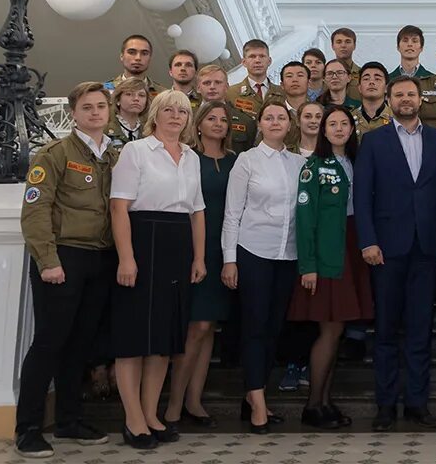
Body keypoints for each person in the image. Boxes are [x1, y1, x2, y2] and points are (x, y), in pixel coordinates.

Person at [353, 75, 436, 431]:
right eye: (398, 94)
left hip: (428, 248)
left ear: (421, 99)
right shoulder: (372, 141)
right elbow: (362, 196)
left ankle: (417, 403)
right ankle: (385, 405)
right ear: (389, 98)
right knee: (385, 330)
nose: (405, 99)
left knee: (419, 329)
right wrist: (367, 240)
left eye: (410, 94)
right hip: (385, 249)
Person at [15, 82, 117, 458]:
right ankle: (27, 428)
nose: (94, 112)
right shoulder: (54, 153)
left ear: (109, 112)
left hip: (99, 258)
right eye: (87, 107)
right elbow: (36, 209)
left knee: (80, 345)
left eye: (100, 106)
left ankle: (70, 420)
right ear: (73, 113)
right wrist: (48, 260)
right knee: (49, 343)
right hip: (63, 258)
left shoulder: (113, 155)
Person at [109, 90, 207, 450]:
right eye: (168, 110)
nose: (176, 116)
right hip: (143, 241)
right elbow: (119, 208)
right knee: (134, 338)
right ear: (155, 114)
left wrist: (198, 258)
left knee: (163, 341)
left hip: (178, 245)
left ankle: (151, 414)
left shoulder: (192, 157)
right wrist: (126, 258)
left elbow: (197, 211)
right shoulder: (136, 151)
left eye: (182, 111)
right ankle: (133, 419)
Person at [286, 105, 375, 429]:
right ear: (322, 130)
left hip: (351, 249)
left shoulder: (356, 163)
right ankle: (313, 406)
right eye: (332, 124)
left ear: (353, 130)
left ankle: (325, 400)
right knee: (329, 328)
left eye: (344, 124)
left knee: (337, 330)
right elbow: (305, 217)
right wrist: (308, 265)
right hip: (326, 256)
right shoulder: (314, 166)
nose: (338, 129)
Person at [222, 101, 305, 433]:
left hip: (288, 255)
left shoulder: (299, 162)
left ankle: (252, 395)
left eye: (281, 118)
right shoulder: (247, 160)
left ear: (289, 125)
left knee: (273, 329)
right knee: (255, 327)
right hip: (252, 251)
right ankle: (258, 402)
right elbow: (232, 213)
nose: (275, 122)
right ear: (259, 123)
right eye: (268, 117)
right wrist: (230, 260)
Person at [162, 100, 237, 431]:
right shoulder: (189, 157)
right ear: (200, 123)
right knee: (196, 328)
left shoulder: (236, 161)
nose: (218, 124)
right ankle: (173, 406)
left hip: (227, 250)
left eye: (224, 119)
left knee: (209, 330)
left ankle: (195, 400)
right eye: (212, 118)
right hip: (195, 249)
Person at [197, 64, 256, 153]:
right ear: (198, 88)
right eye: (207, 83)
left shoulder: (245, 121)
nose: (212, 87)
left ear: (227, 87)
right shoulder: (188, 118)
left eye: (218, 82)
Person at [226, 38, 283, 116]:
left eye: (262, 56)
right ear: (244, 62)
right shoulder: (231, 93)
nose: (257, 60)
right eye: (252, 56)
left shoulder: (282, 92)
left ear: (269, 61)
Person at [277, 61, 312, 150]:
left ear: (309, 83)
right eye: (289, 76)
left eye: (300, 75)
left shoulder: (321, 112)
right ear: (282, 85)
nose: (295, 80)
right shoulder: (273, 115)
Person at [106, 77, 148, 149]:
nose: (136, 99)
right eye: (129, 94)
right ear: (118, 100)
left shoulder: (150, 131)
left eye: (141, 95)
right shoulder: (105, 128)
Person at [355, 62, 393, 136]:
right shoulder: (349, 119)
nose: (371, 82)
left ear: (386, 88)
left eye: (377, 79)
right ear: (359, 88)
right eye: (366, 79)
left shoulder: (396, 119)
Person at [330, 27, 362, 102]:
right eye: (339, 42)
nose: (343, 45)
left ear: (354, 46)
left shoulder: (362, 74)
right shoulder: (325, 74)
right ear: (332, 46)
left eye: (347, 42)